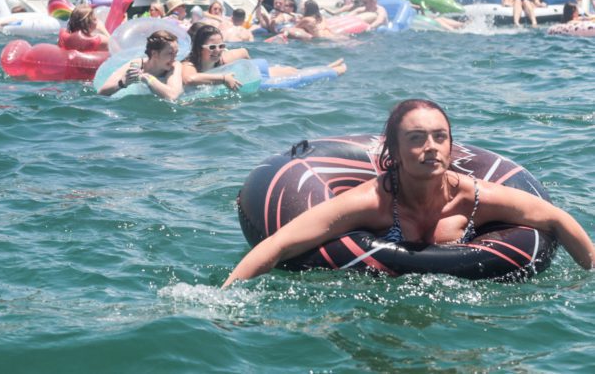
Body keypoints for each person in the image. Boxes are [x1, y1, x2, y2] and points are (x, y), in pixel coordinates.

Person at [223, 99, 594, 286]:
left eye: (439, 137)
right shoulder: (370, 202)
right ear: (395, 153)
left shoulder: (474, 197)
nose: (430, 147)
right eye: (416, 139)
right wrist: (224, 302)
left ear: (451, 148)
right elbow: (279, 245)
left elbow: (555, 218)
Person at [182, 24, 346, 90]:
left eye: (221, 46)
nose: (217, 51)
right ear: (198, 48)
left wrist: (248, 70)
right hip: (245, 74)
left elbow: (244, 52)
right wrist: (224, 78)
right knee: (293, 72)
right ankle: (329, 67)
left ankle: (335, 69)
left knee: (293, 72)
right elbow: (190, 79)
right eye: (212, 47)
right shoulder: (190, 64)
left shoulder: (223, 58)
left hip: (256, 71)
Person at [98, 30, 183, 100]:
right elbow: (102, 92)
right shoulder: (136, 64)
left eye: (176, 53)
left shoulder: (174, 66)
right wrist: (123, 83)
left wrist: (147, 78)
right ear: (155, 54)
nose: (174, 58)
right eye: (170, 53)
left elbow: (172, 96)